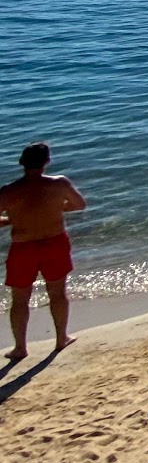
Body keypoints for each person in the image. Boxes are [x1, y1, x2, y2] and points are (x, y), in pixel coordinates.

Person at [1, 142, 86, 360]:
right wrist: (56, 207)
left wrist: (13, 219)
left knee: (19, 300)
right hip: (54, 242)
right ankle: (60, 339)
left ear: (21, 163)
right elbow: (79, 205)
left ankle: (20, 347)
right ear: (47, 162)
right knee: (57, 293)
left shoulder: (9, 191)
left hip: (23, 247)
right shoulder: (59, 183)